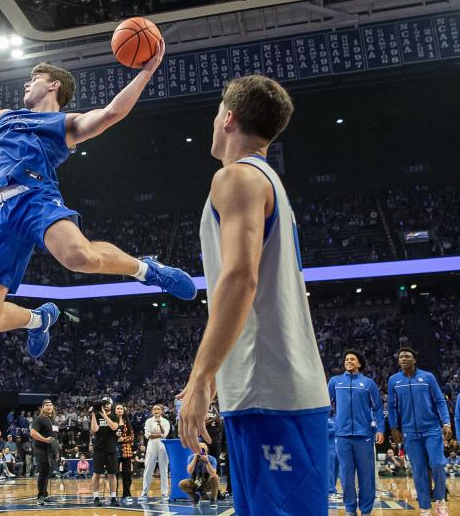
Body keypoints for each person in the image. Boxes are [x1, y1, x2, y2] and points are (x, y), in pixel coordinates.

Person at [0, 47, 195, 358]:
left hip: (34, 197)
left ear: (54, 85)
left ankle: (146, 270)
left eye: (34, 78)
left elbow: (111, 113)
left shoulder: (64, 124)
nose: (27, 84)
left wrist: (147, 72)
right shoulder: (3, 117)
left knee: (79, 257)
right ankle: (38, 319)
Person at [178, 75, 331, 516]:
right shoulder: (265, 179)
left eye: (214, 113)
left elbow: (240, 277)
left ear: (228, 118)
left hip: (270, 391)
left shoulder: (237, 178)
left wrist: (201, 378)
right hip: (267, 393)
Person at [388, 347, 451, 516]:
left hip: (431, 429)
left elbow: (439, 401)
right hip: (410, 432)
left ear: (414, 360)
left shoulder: (427, 377)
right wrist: (393, 427)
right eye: (401, 357)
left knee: (438, 464)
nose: (404, 359)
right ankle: (424, 508)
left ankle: (440, 501)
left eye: (407, 356)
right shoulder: (394, 380)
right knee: (418, 470)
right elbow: (392, 406)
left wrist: (446, 422)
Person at [327, 349, 384, 516]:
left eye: (352, 359)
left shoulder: (368, 384)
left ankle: (366, 511)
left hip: (364, 435)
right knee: (346, 476)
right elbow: (325, 406)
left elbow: (379, 409)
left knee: (366, 476)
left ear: (359, 363)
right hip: (342, 436)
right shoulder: (335, 382)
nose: (349, 361)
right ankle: (350, 510)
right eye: (346, 359)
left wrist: (380, 429)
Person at [90, 397, 120, 506]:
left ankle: (113, 497)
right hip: (98, 449)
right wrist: (93, 415)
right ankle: (96, 497)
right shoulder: (96, 416)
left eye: (108, 403)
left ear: (111, 405)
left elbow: (113, 427)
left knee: (112, 474)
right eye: (104, 404)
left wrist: (104, 415)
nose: (106, 405)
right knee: (97, 474)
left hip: (111, 449)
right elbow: (94, 429)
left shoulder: (115, 416)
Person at [30, 399, 58, 505]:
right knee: (43, 472)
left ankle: (45, 494)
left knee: (47, 472)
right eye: (46, 405)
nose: (49, 406)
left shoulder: (52, 420)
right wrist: (45, 440)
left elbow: (54, 438)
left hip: (50, 450)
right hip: (40, 449)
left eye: (51, 404)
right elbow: (32, 433)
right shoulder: (39, 419)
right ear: (42, 408)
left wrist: (56, 451)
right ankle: (40, 496)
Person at [141, 404, 170, 500]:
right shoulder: (148, 421)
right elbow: (147, 435)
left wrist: (159, 424)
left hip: (163, 444)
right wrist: (158, 435)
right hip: (151, 444)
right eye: (154, 409)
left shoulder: (165, 422)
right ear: (152, 411)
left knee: (164, 469)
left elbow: (164, 435)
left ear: (161, 411)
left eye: (158, 409)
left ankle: (165, 494)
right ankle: (144, 493)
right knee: (148, 468)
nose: (156, 410)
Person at [180, 440, 220, 506]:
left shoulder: (211, 459)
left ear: (207, 449)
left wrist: (207, 462)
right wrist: (195, 458)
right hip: (195, 482)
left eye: (203, 449)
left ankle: (213, 500)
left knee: (215, 477)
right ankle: (195, 497)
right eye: (199, 448)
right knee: (182, 484)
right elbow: (189, 471)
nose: (201, 451)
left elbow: (213, 473)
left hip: (207, 483)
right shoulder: (191, 457)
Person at [115, 404, 135, 503]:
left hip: (126, 450)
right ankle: (113, 495)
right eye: (117, 408)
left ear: (123, 410)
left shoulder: (127, 422)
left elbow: (132, 437)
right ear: (115, 410)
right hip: (114, 450)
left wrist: (123, 438)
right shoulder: (111, 421)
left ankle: (126, 495)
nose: (119, 410)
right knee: (114, 473)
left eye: (121, 408)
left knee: (127, 474)